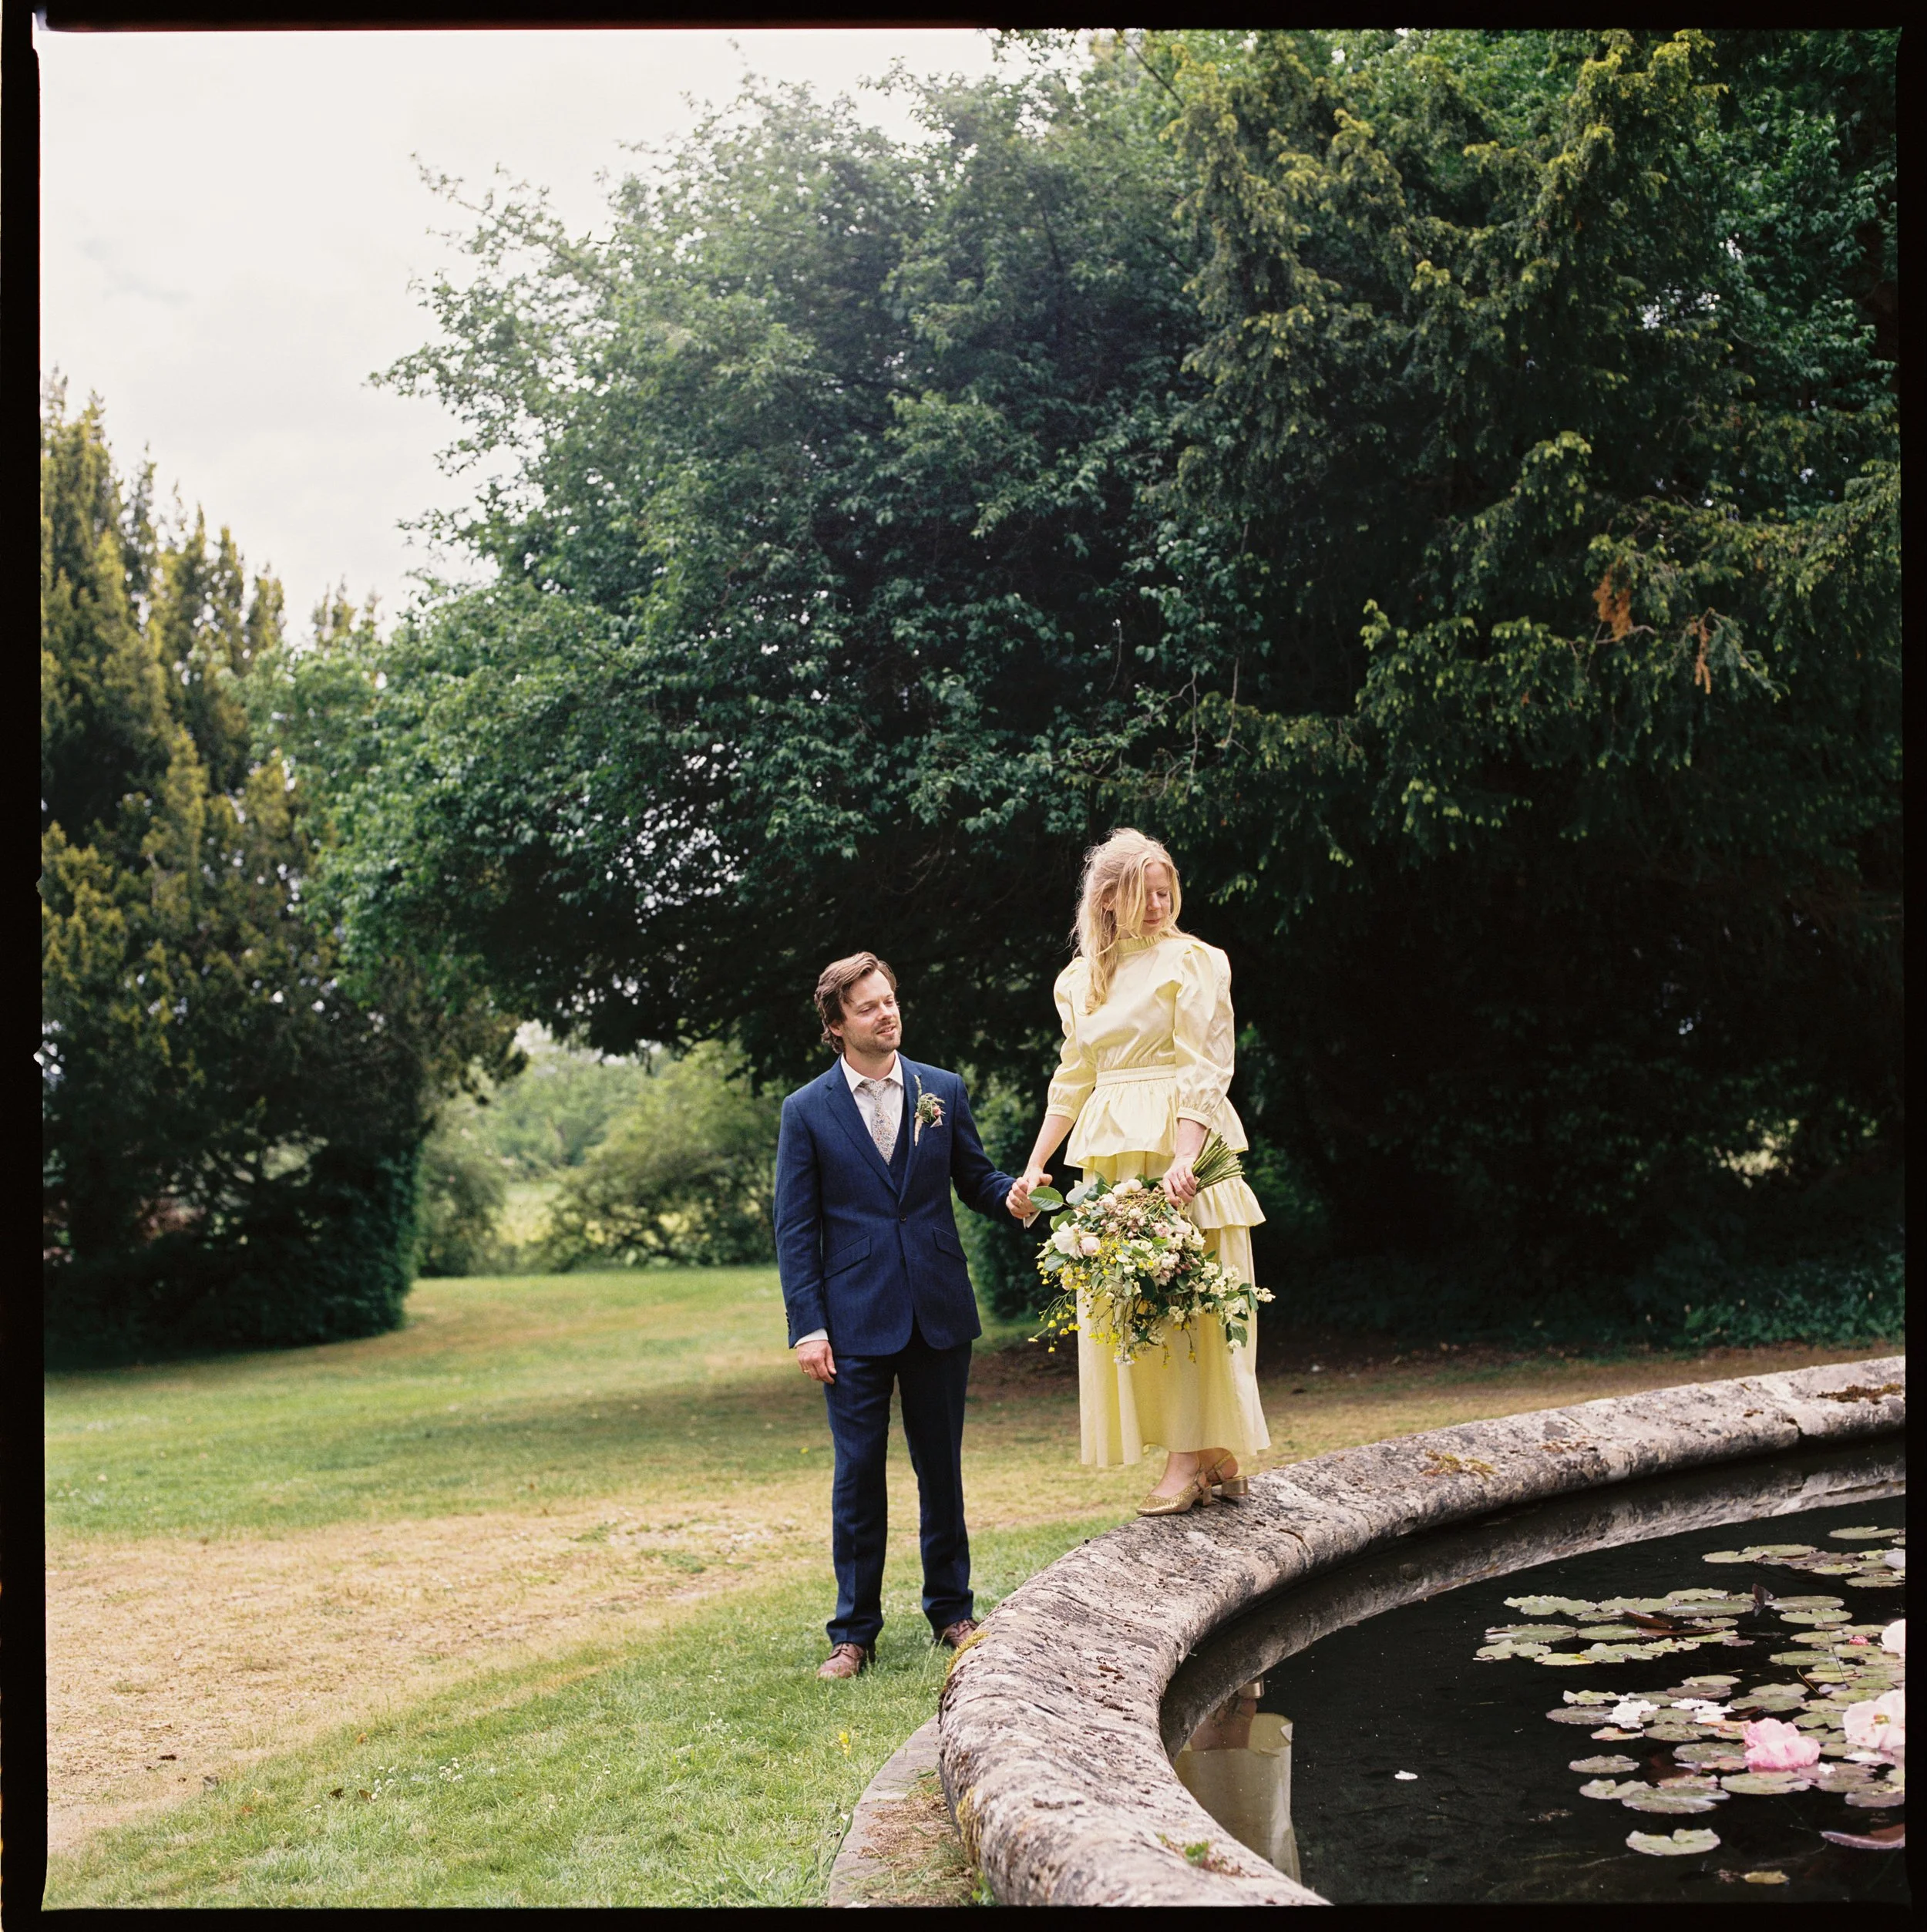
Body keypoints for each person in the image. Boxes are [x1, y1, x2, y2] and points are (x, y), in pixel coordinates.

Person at [774, 951, 1034, 1679]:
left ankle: (953, 1613)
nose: (886, 1013)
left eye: (890, 1000)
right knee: (857, 1475)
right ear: (837, 1025)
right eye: (868, 1007)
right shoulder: (806, 1111)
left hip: (938, 1310)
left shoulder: (941, 1090)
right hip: (852, 1321)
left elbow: (976, 1177)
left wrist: (1013, 1194)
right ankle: (853, 1635)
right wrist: (809, 1325)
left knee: (940, 1469)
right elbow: (795, 1228)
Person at [1007, 830, 1271, 1514]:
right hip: (1110, 1150)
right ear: (1107, 899)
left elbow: (1205, 1064)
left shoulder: (1195, 961)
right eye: (1142, 893)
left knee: (1192, 1297)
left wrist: (1186, 1153)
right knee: (1131, 1305)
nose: (1158, 904)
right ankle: (1208, 1453)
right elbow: (1072, 1077)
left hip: (1179, 1140)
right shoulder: (1078, 981)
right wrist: (1035, 1168)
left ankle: (1190, 1458)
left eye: (1164, 891)